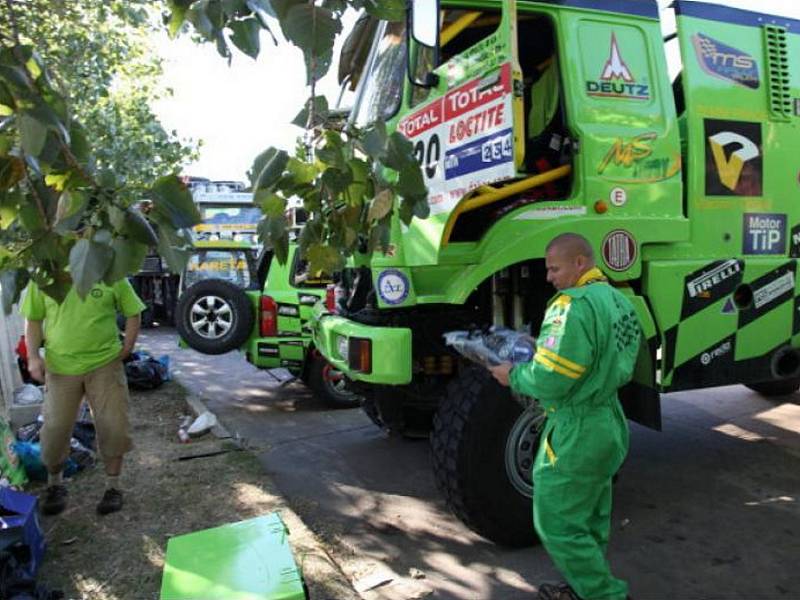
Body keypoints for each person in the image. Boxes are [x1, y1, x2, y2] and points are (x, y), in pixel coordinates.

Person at [489, 233, 641, 600]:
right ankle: (583, 587)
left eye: (554, 268)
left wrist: (514, 374)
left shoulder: (569, 306)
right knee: (591, 516)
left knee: (556, 520)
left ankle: (604, 595)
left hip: (578, 428)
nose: (549, 277)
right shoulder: (620, 301)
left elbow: (551, 379)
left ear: (579, 263)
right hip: (609, 421)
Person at [21, 278, 145, 516]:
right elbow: (33, 318)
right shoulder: (47, 272)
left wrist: (127, 347)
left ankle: (113, 488)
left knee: (114, 426)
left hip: (105, 364)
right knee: (55, 429)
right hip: (60, 367)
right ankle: (55, 484)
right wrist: (33, 357)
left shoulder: (109, 268)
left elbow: (133, 311)